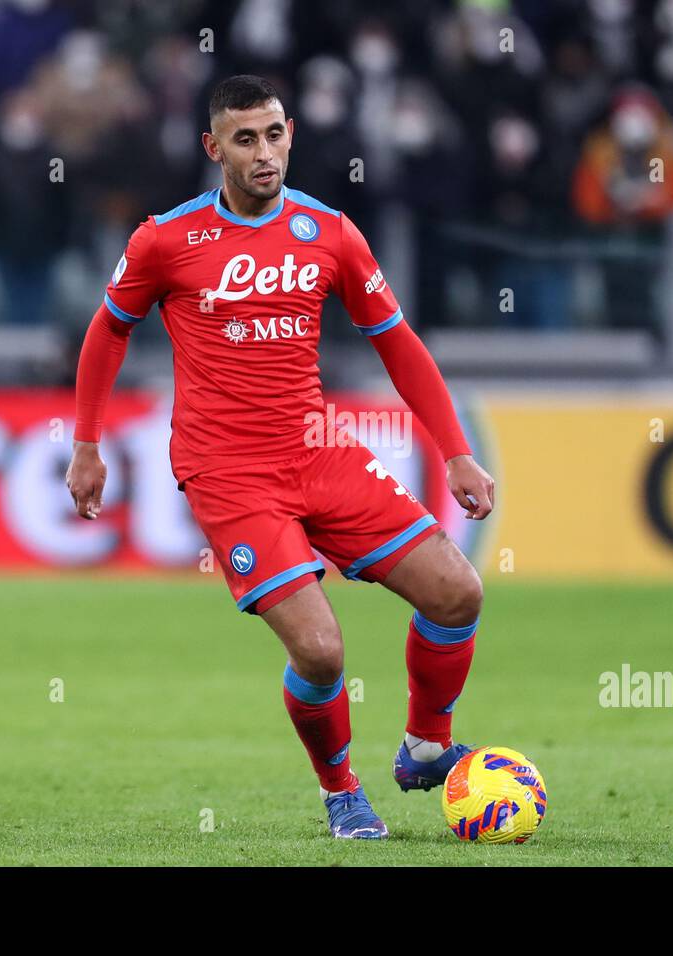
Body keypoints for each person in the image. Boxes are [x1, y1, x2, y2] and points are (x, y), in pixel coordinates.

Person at [65, 75, 495, 839]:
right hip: (227, 472)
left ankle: (427, 745)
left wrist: (455, 453)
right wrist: (87, 445)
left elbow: (398, 343)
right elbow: (107, 332)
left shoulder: (331, 232)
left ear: (291, 133)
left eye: (273, 134)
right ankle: (341, 792)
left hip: (317, 449)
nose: (263, 153)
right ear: (213, 148)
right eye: (244, 139)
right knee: (323, 652)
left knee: (457, 593)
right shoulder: (165, 239)